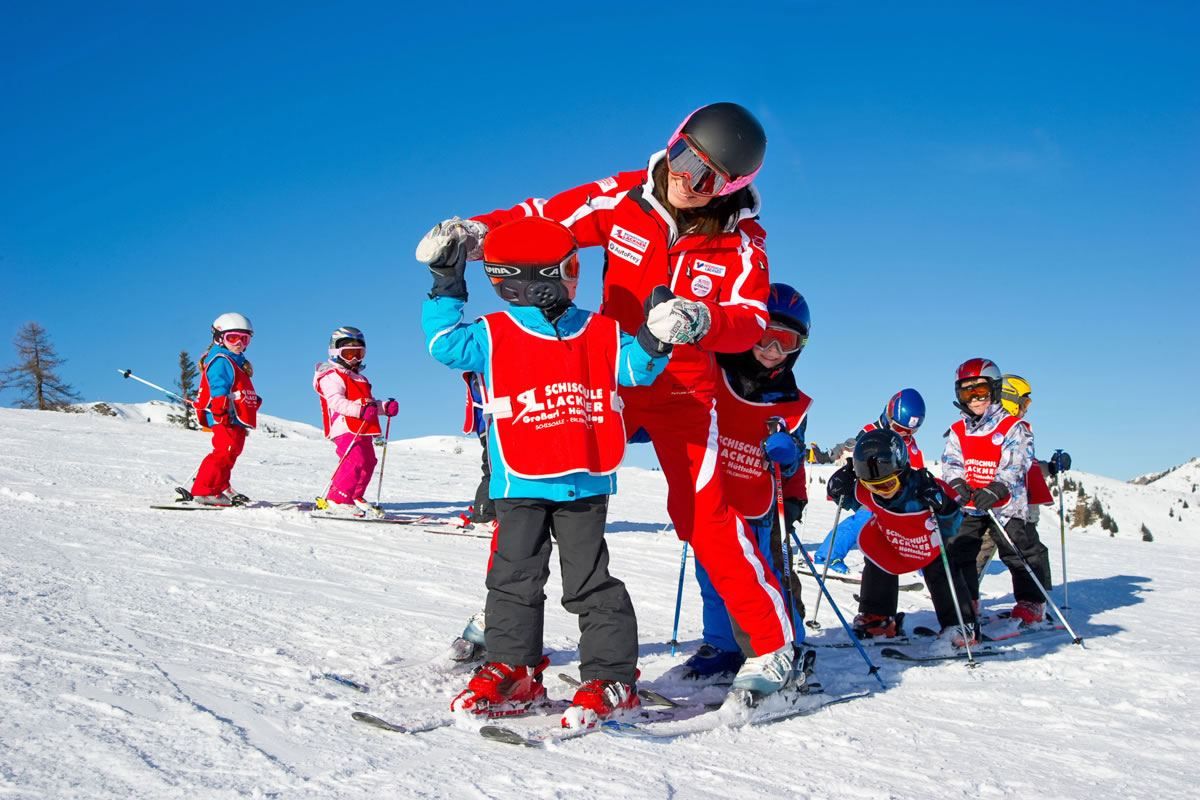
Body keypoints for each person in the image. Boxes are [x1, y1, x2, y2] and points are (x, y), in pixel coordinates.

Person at [416, 101, 797, 696]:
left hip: (682, 392)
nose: (683, 180)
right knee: (534, 479)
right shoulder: (624, 198)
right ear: (671, 143)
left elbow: (749, 319)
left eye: (705, 178)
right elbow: (542, 220)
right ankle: (502, 625)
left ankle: (774, 651)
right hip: (609, 373)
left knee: (704, 514)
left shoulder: (740, 244)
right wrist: (475, 234)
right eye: (680, 157)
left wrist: (702, 319)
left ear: (732, 188)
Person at [422, 216, 673, 729]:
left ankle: (610, 678)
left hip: (584, 479)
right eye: (572, 267)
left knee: (589, 582)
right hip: (520, 479)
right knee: (513, 579)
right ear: (539, 276)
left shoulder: (599, 329)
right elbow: (444, 343)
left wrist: (655, 337)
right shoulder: (493, 333)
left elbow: (634, 370)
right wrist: (447, 283)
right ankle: (514, 670)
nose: (577, 276)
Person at [678, 283, 812, 681]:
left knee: (766, 576)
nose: (772, 350)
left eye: (784, 342)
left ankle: (787, 647)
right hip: (713, 496)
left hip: (761, 504)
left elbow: (795, 462)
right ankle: (722, 645)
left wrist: (789, 465)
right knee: (713, 574)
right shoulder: (712, 372)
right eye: (762, 336)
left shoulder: (793, 403)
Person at [825, 429, 974, 643]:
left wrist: (943, 506)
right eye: (873, 487)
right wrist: (839, 488)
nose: (883, 492)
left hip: (927, 548)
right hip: (892, 545)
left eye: (888, 484)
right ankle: (878, 618)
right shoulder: (869, 490)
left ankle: (960, 625)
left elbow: (954, 522)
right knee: (876, 555)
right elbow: (848, 500)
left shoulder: (923, 488)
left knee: (943, 563)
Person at [943, 358, 1052, 626]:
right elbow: (951, 462)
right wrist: (956, 484)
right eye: (967, 393)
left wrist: (997, 488)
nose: (975, 399)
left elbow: (1017, 463)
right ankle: (967, 598)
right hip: (970, 501)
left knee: (1018, 549)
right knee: (959, 548)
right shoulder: (958, 430)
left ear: (994, 389)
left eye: (980, 391)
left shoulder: (1013, 427)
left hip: (1006, 503)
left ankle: (1032, 601)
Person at [814, 388, 927, 574]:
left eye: (911, 431)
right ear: (888, 415)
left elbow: (917, 470)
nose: (905, 435)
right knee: (866, 518)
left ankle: (915, 567)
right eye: (900, 429)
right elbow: (849, 449)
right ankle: (826, 556)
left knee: (912, 524)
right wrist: (829, 457)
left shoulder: (910, 444)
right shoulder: (871, 432)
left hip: (896, 495)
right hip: (868, 489)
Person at [975, 374, 1069, 583]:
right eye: (1024, 402)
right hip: (996, 503)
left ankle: (1034, 602)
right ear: (1010, 399)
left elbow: (1026, 465)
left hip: (1020, 508)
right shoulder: (993, 429)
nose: (1026, 408)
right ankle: (965, 598)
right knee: (980, 551)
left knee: (1028, 555)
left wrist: (1051, 467)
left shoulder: (1018, 429)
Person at [313, 326, 399, 518]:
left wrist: (384, 407)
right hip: (343, 426)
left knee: (368, 461)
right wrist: (360, 410)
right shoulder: (331, 376)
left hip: (363, 427)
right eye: (349, 353)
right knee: (355, 460)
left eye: (359, 353)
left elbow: (368, 404)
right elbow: (336, 402)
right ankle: (338, 498)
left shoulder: (360, 378)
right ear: (335, 352)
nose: (354, 359)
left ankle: (354, 495)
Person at [188, 313, 261, 506]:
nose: (238, 343)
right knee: (223, 451)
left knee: (232, 451)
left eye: (244, 339)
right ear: (219, 338)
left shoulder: (237, 361)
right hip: (223, 414)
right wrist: (219, 403)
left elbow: (238, 386)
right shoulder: (221, 360)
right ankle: (204, 489)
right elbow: (218, 383)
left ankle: (220, 486)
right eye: (232, 337)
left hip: (234, 415)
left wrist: (250, 400)